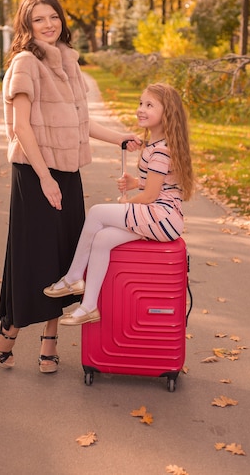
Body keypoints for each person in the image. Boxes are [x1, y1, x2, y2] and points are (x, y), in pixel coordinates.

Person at [0, 0, 139, 371]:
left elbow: (82, 124)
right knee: (34, 258)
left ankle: (49, 344)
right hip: (35, 174)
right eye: (39, 19)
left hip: (68, 174)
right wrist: (44, 178)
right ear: (27, 25)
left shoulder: (70, 62)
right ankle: (9, 329)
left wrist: (119, 137)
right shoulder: (24, 63)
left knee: (67, 261)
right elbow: (21, 126)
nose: (48, 25)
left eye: (53, 17)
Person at [44, 82, 194, 325]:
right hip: (159, 218)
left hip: (161, 216)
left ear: (167, 114)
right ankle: (89, 306)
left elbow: (150, 197)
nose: (141, 109)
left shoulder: (161, 152)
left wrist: (127, 205)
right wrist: (135, 182)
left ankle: (73, 277)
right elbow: (157, 184)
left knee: (96, 213)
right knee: (102, 239)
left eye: (149, 105)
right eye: (140, 103)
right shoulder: (155, 146)